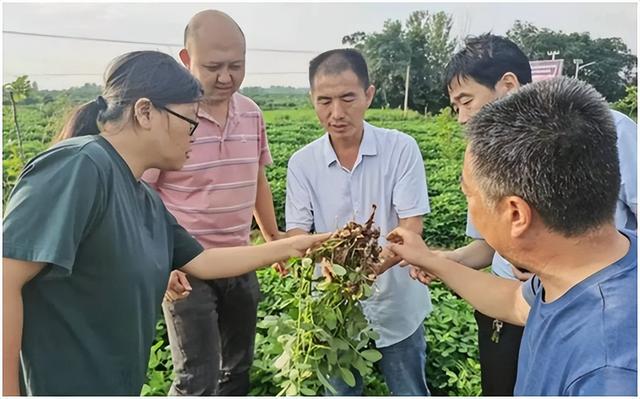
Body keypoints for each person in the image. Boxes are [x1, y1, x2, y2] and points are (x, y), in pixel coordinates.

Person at [2, 50, 328, 396]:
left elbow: (203, 261)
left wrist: (293, 245)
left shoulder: (144, 197)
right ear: (145, 112)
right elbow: (6, 278)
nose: (195, 134)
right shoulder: (81, 167)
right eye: (190, 120)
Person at [387, 76, 637, 396]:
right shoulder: (596, 263)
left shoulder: (607, 374)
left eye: (469, 195)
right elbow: (515, 302)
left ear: (516, 215)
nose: (470, 206)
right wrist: (427, 259)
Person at [140, 10, 282, 396]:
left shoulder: (251, 113)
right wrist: (161, 258)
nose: (226, 77)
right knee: (196, 377)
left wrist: (272, 240)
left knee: (238, 369)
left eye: (236, 65)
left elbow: (256, 178)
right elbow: (142, 195)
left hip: (240, 259)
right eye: (213, 66)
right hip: (187, 266)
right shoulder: (170, 119)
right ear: (186, 60)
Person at [285, 48, 432, 396]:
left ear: (368, 95)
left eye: (348, 98)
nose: (336, 113)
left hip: (398, 305)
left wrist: (369, 269)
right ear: (312, 100)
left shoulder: (401, 149)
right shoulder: (302, 163)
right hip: (334, 311)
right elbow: (296, 232)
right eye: (324, 101)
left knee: (409, 388)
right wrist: (330, 266)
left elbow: (412, 226)